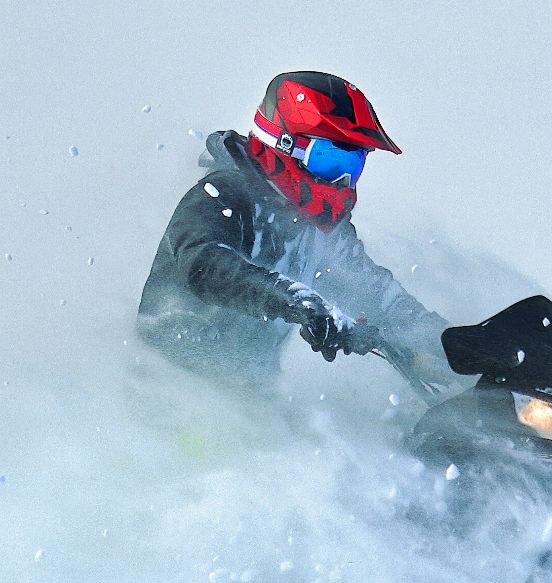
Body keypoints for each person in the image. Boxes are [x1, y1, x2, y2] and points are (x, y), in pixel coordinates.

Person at [138, 71, 462, 399]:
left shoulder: (319, 232)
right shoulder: (222, 195)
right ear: (284, 145)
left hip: (249, 401)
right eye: (330, 161)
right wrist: (298, 302)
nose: (342, 180)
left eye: (353, 165)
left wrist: (456, 345)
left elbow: (378, 296)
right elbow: (203, 263)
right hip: (167, 392)